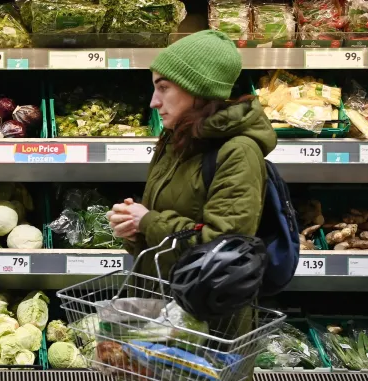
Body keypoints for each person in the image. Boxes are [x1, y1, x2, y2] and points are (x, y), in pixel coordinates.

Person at [107, 29, 277, 281]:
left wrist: (148, 222)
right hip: (162, 300)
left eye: (163, 87)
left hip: (205, 313)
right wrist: (133, 232)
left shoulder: (238, 152)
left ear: (198, 90)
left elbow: (224, 247)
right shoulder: (176, 139)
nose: (153, 102)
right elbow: (159, 235)